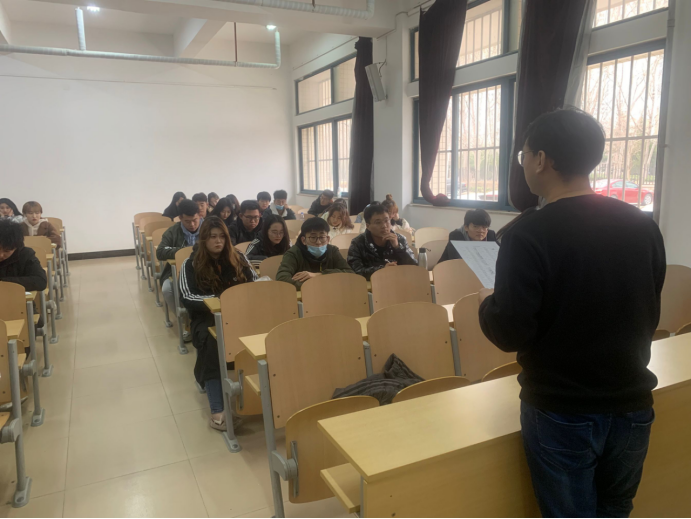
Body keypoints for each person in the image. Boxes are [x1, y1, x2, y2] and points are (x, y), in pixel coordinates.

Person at [478, 109, 666, 519]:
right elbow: (649, 310)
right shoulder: (642, 225)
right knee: (616, 509)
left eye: (524, 155)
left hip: (562, 409)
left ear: (541, 159)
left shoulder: (528, 233)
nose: (524, 164)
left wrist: (486, 304)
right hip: (633, 402)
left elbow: (510, 331)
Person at [179, 217, 257, 432]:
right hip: (207, 318)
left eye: (222, 236)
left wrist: (237, 302)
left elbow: (255, 283)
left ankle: (261, 396)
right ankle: (218, 410)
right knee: (212, 343)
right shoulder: (190, 264)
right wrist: (220, 302)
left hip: (240, 314)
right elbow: (187, 297)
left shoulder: (238, 257)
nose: (218, 241)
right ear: (203, 239)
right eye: (212, 237)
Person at [156, 200, 203, 342]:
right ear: (180, 218)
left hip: (205, 271)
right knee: (167, 289)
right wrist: (185, 251)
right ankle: (186, 321)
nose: (192, 224)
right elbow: (160, 252)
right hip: (176, 271)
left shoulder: (208, 228)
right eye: (187, 221)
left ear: (200, 216)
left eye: (195, 220)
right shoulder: (172, 231)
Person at [276, 217, 353, 289]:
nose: (318, 242)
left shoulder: (332, 251)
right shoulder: (294, 253)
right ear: (303, 240)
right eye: (313, 237)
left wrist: (319, 275)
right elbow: (282, 278)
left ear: (327, 239)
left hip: (330, 294)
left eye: (322, 237)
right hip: (304, 296)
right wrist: (315, 286)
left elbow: (349, 273)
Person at [347, 204, 417, 280]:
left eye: (386, 221)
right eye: (378, 222)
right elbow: (355, 271)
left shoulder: (400, 239)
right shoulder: (358, 243)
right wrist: (382, 270)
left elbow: (414, 266)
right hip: (371, 285)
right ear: (368, 226)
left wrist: (397, 247)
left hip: (398, 282)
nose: (384, 226)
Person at [0, 219, 48, 292]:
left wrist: (3, 282)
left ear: (16, 247)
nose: (1, 255)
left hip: (16, 297)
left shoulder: (25, 254)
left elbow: (40, 281)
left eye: (7, 251)